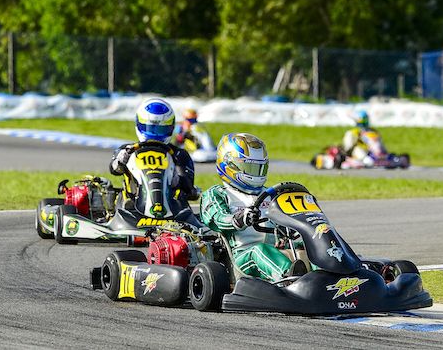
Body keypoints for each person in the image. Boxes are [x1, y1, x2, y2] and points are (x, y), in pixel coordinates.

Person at [200, 133, 306, 282]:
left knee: (306, 245)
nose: (255, 174)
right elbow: (216, 218)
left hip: (275, 250)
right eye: (249, 167)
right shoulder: (218, 194)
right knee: (260, 251)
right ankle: (291, 281)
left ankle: (330, 278)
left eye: (259, 168)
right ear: (230, 165)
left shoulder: (271, 193)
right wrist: (240, 218)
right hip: (242, 257)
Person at [109, 98, 200, 207]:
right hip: (134, 204)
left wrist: (177, 176)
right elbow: (114, 170)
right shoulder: (128, 150)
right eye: (150, 129)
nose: (155, 135)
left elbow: (189, 190)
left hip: (172, 208)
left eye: (160, 130)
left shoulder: (179, 154)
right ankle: (129, 205)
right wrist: (121, 160)